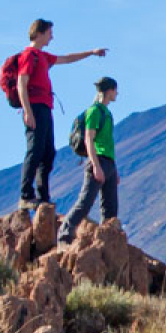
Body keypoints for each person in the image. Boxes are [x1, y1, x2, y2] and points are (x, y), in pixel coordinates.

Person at [18, 18, 107, 208]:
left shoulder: (42, 57)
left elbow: (67, 58)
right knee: (34, 150)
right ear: (40, 33)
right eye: (50, 33)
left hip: (45, 107)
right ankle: (26, 194)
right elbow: (21, 83)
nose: (52, 37)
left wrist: (91, 53)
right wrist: (27, 111)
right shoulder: (29, 55)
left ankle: (43, 197)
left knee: (48, 152)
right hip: (34, 107)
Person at [60, 76, 119, 243]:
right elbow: (89, 139)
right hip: (98, 161)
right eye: (115, 90)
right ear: (109, 91)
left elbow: (108, 143)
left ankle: (108, 242)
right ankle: (64, 234)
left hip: (109, 163)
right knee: (85, 201)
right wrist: (95, 165)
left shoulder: (108, 114)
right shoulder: (94, 111)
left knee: (110, 208)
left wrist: (115, 170)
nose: (117, 94)